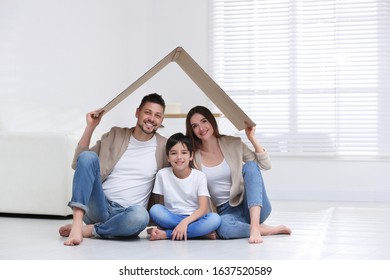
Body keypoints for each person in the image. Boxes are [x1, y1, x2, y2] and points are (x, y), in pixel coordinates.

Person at [59, 93, 169, 246]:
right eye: (147, 112)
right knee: (88, 157)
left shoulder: (165, 146)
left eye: (157, 115)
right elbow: (80, 163)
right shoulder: (116, 134)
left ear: (162, 120)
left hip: (127, 215)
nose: (152, 118)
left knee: (141, 216)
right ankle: (77, 225)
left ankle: (90, 230)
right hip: (99, 205)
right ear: (137, 112)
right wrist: (91, 127)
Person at [185, 106, 291, 244]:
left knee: (251, 166)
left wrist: (252, 138)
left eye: (204, 121)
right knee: (223, 228)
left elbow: (265, 165)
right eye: (195, 126)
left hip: (251, 203)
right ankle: (265, 230)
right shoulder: (193, 155)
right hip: (226, 213)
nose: (201, 128)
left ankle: (254, 228)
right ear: (192, 130)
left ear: (211, 121)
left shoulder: (233, 143)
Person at [148, 132, 221, 241]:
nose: (179, 157)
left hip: (194, 219)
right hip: (171, 217)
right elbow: (161, 204)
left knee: (215, 219)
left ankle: (167, 234)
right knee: (155, 210)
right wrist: (162, 223)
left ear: (191, 156)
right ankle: (198, 233)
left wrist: (185, 222)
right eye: (173, 153)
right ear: (168, 157)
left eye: (184, 152)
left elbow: (203, 209)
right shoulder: (162, 174)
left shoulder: (199, 176)